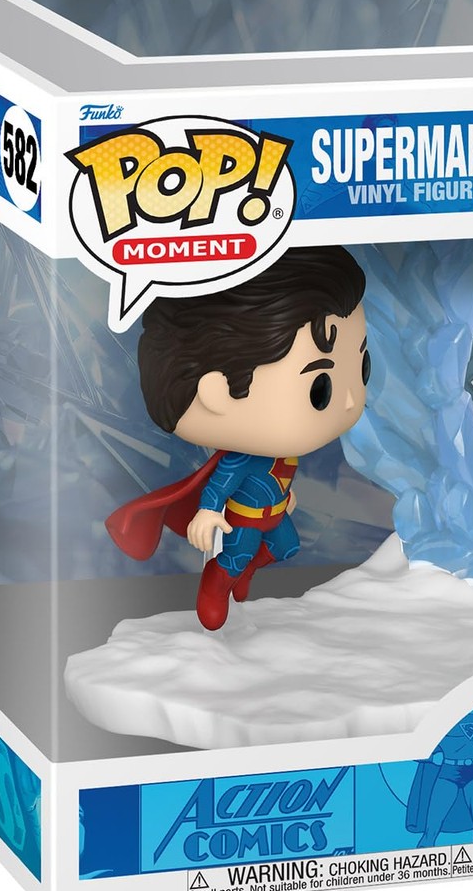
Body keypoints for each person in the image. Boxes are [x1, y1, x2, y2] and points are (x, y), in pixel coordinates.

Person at [106, 247, 370, 630]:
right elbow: (221, 484)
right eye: (320, 387)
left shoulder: (281, 449)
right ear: (218, 392)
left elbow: (280, 473)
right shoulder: (243, 457)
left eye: (363, 365)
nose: (349, 401)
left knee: (287, 547)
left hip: (275, 513)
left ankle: (242, 571)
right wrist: (208, 511)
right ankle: (217, 581)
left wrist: (286, 496)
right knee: (234, 557)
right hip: (243, 522)